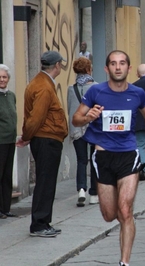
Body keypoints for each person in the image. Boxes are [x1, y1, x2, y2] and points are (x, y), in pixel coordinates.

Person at [72, 50, 145, 266]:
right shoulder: (95, 92)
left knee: (125, 210)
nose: (118, 67)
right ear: (106, 68)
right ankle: (123, 223)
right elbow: (75, 119)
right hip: (102, 156)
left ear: (129, 68)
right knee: (109, 214)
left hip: (128, 155)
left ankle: (124, 262)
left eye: (122, 63)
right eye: (113, 63)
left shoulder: (137, 93)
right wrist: (88, 116)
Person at [16, 51, 68, 237]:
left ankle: (43, 222)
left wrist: (28, 134)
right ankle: (39, 224)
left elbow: (29, 115)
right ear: (56, 66)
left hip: (44, 138)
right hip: (47, 139)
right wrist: (26, 136)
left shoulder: (39, 82)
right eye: (60, 64)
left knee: (45, 182)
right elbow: (36, 117)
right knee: (46, 182)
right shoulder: (44, 87)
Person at [67, 57, 98, 207]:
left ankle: (80, 190)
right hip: (94, 128)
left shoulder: (70, 89)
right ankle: (93, 194)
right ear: (88, 70)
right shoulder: (97, 87)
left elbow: (70, 110)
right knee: (94, 160)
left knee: (81, 160)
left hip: (77, 129)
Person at [0, 64, 17, 219]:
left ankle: (6, 208)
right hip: (0, 141)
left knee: (7, 175)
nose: (2, 80)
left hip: (11, 141)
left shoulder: (11, 95)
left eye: (4, 77)